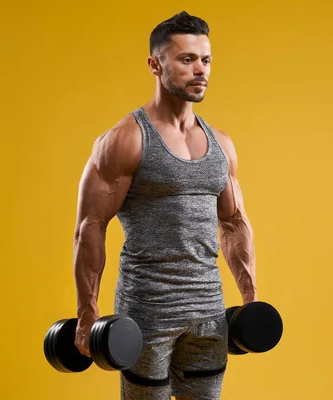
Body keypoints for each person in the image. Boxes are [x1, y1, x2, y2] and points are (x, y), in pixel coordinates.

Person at [72, 11, 257, 400]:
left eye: (205, 60)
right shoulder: (125, 140)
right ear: (156, 65)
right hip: (147, 311)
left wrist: (250, 298)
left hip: (209, 310)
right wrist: (87, 312)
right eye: (187, 59)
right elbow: (91, 225)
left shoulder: (221, 144)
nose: (200, 70)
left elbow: (235, 223)